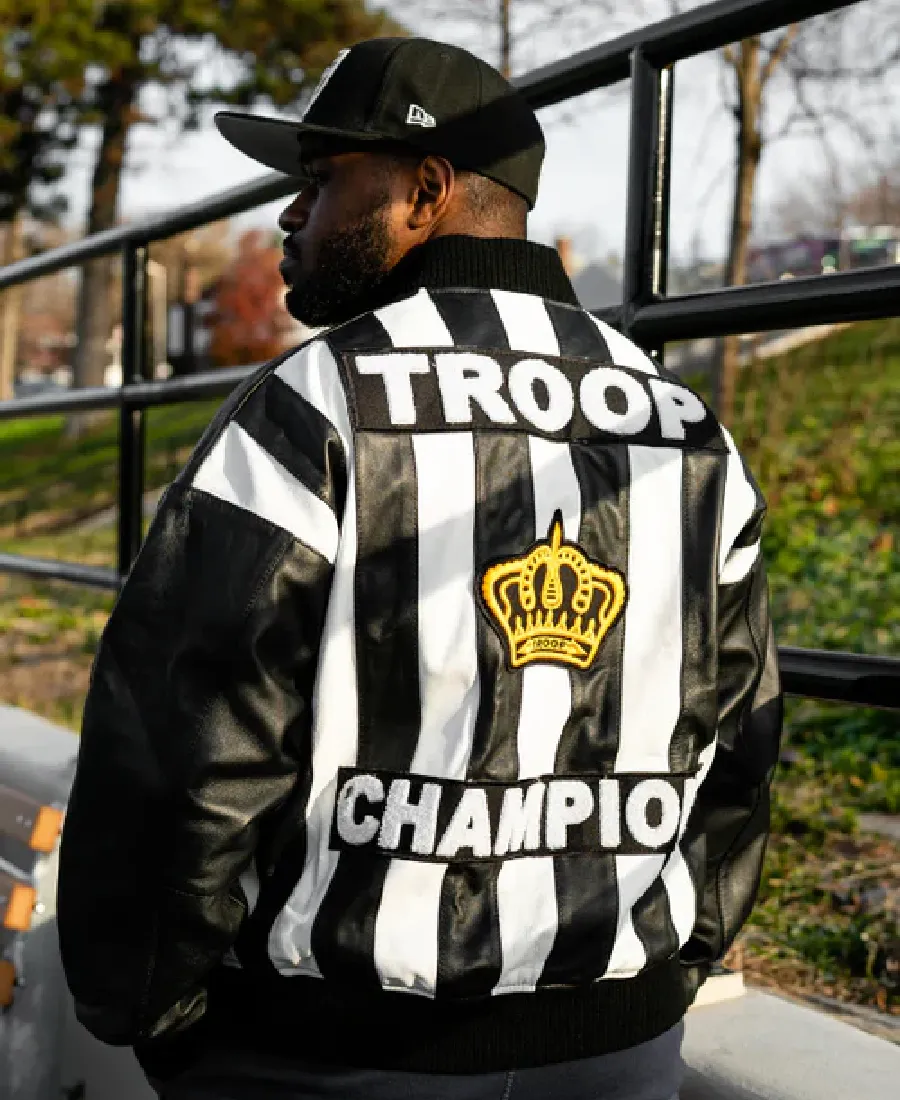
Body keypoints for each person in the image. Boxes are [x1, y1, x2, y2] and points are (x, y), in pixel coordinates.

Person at [57, 36, 782, 1100]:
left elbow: (183, 752)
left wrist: (151, 1010)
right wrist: (671, 968)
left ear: (426, 192)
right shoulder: (685, 425)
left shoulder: (311, 408)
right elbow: (741, 740)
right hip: (615, 1047)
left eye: (321, 180)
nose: (291, 215)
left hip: (328, 1050)